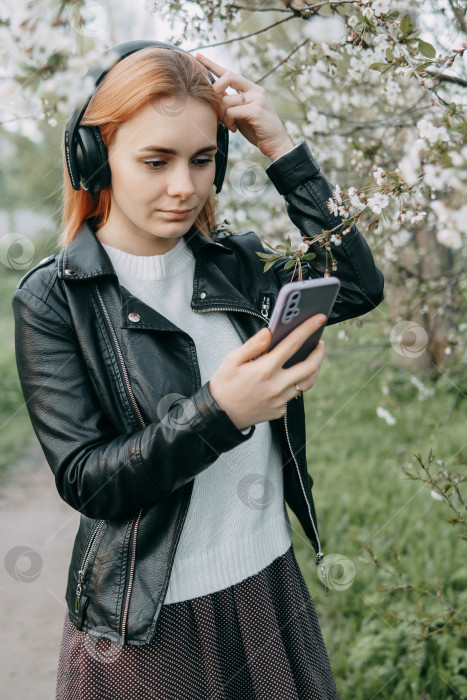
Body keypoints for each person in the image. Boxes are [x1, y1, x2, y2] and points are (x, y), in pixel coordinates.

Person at [12, 40, 384, 699]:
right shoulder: (54, 298)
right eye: (155, 160)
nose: (184, 186)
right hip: (149, 625)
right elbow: (89, 482)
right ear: (97, 159)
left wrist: (280, 147)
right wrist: (222, 412)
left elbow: (355, 284)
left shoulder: (233, 263)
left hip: (266, 581)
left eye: (202, 158)